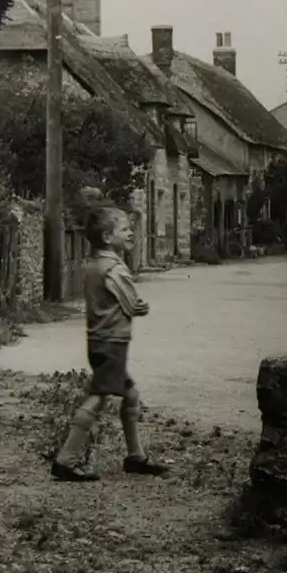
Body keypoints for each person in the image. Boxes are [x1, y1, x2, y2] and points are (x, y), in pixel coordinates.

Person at [51, 206, 167, 482]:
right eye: (125, 229)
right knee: (100, 396)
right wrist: (141, 307)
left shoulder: (93, 266)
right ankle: (65, 460)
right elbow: (133, 304)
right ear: (106, 236)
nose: (131, 234)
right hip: (112, 342)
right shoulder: (114, 269)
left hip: (99, 340)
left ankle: (135, 456)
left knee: (129, 393)